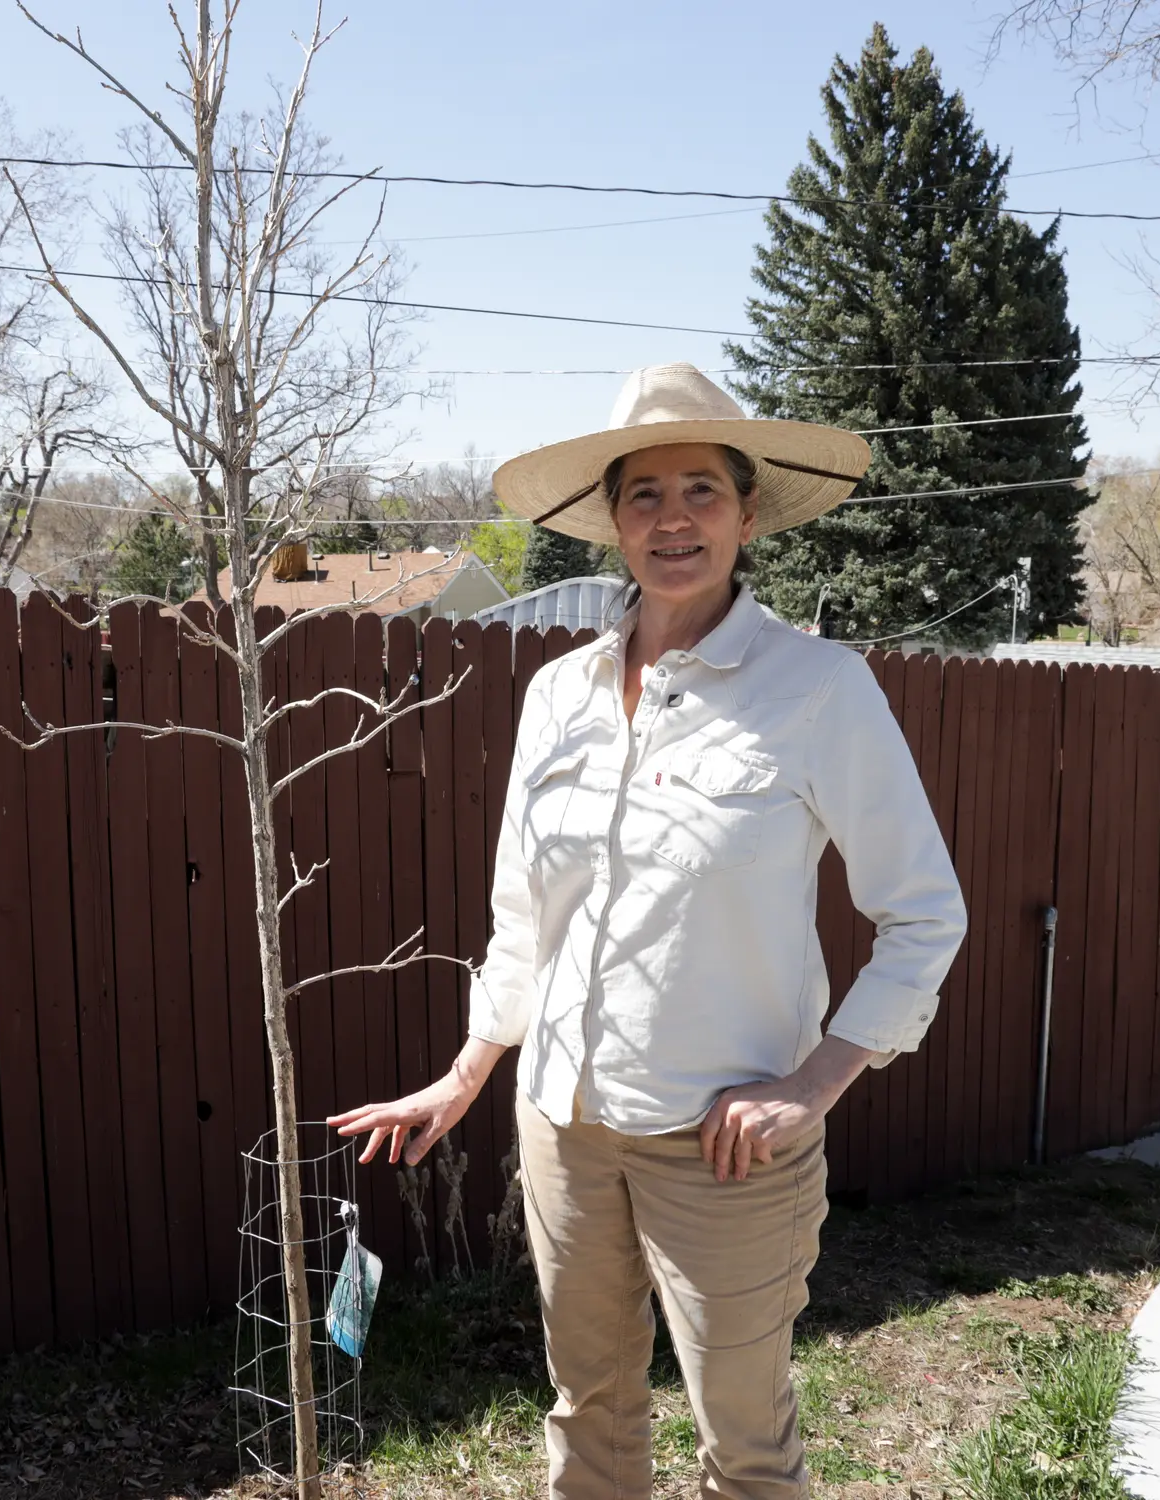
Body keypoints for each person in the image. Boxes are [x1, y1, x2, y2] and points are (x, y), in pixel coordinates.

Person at [327, 363, 967, 1500]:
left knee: (747, 1448)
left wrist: (814, 1083)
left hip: (725, 1146)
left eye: (701, 491)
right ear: (613, 523)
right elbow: (526, 915)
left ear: (747, 511)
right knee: (591, 1412)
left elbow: (924, 915)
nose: (673, 519)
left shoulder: (817, 689)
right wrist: (470, 1073)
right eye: (645, 495)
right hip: (563, 1125)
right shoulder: (557, 694)